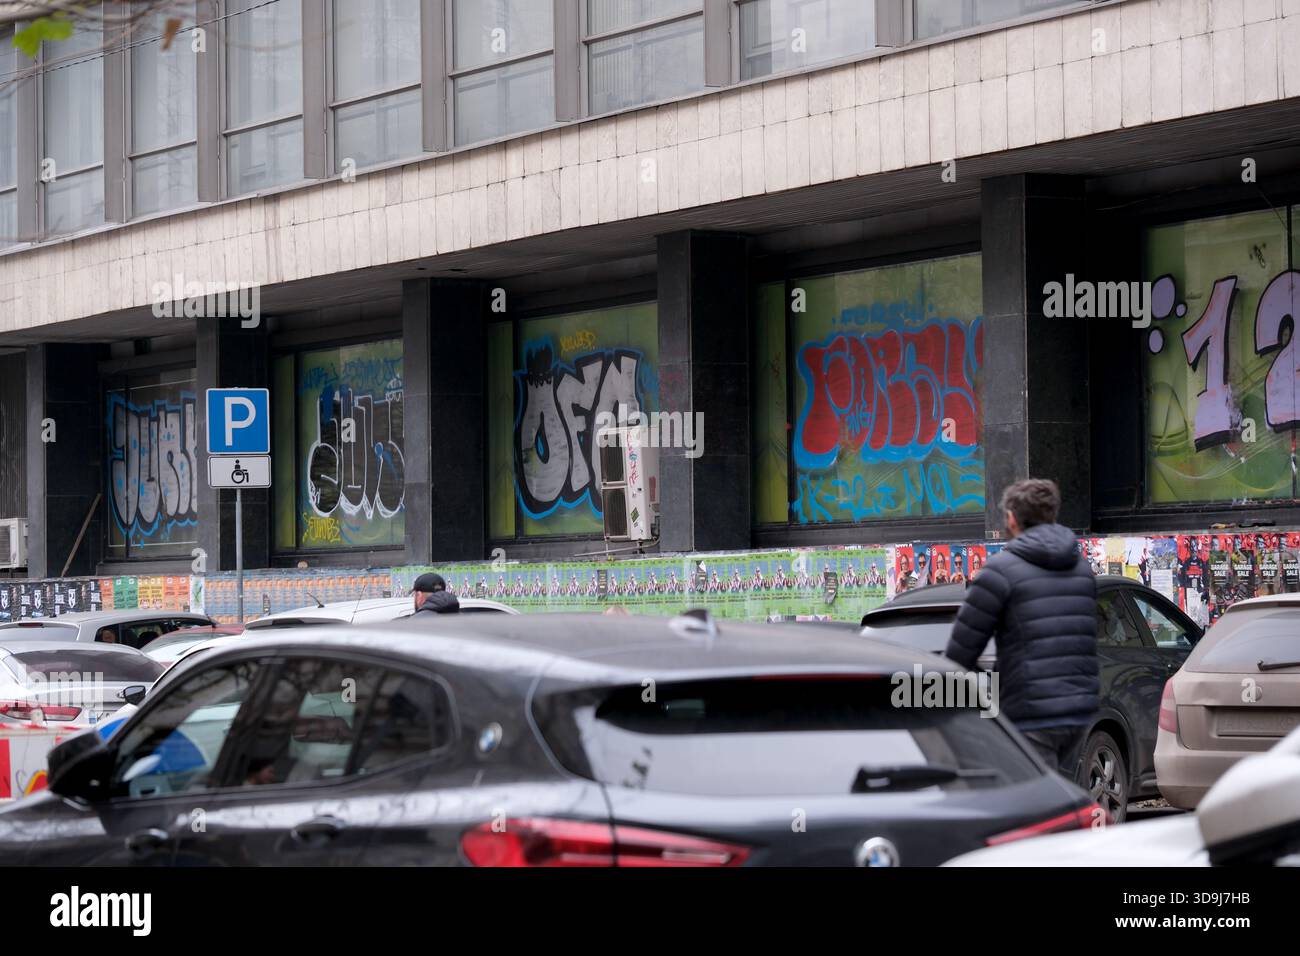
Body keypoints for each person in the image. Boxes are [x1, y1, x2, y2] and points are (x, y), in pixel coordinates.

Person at [945, 479, 1099, 781]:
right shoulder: (1081, 568)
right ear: (1051, 514)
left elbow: (959, 654)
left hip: (1032, 713)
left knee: (1035, 809)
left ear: (1012, 518)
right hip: (1080, 711)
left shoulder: (1000, 571)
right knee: (1063, 798)